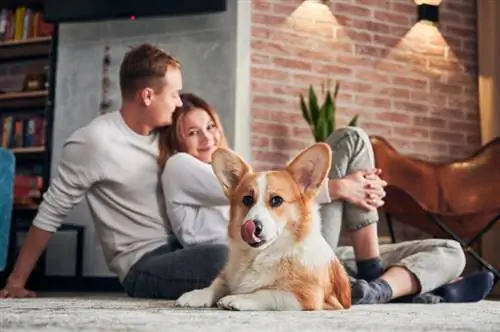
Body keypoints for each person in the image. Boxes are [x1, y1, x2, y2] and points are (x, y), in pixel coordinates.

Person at [158, 92, 495, 305]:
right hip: (272, 265)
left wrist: (359, 189)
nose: (207, 137)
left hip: (304, 252)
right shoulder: (186, 168)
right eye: (192, 131)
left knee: (450, 250)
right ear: (177, 141)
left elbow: (281, 197)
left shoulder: (252, 179)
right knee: (352, 139)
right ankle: (390, 277)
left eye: (210, 127)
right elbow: (259, 191)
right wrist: (343, 188)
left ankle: (376, 288)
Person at [0, 43, 228, 299]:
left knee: (240, 251)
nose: (178, 103)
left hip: (183, 247)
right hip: (144, 264)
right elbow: (50, 213)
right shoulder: (95, 142)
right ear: (148, 96)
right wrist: (16, 281)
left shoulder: (164, 135)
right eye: (174, 94)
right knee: (223, 258)